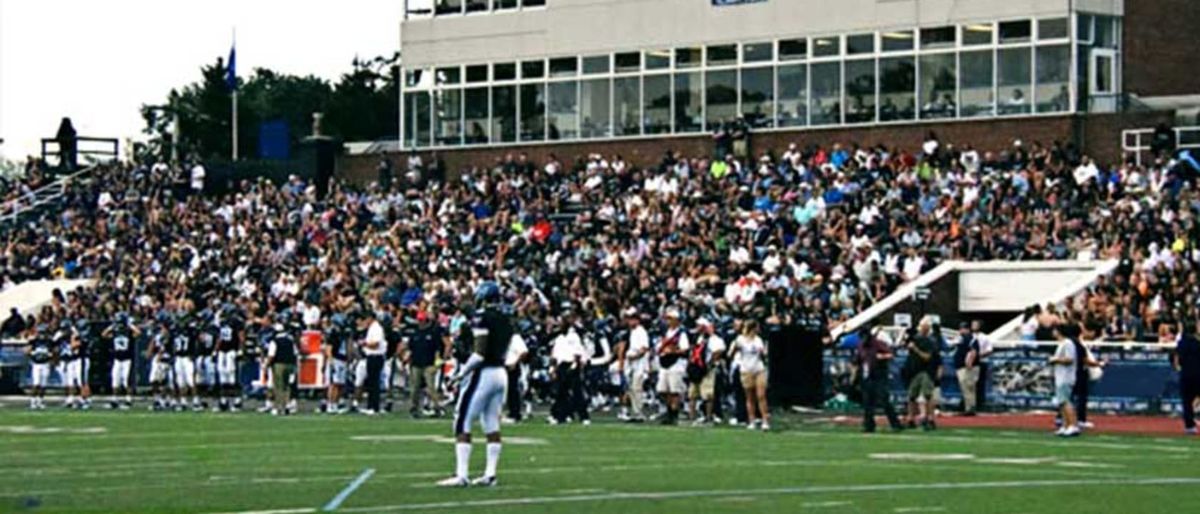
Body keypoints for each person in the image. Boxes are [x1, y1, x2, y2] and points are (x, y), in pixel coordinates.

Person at [438, 282, 513, 488]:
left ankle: (462, 474)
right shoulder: (506, 318)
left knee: (462, 420)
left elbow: (479, 354)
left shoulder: (482, 317)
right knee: (491, 422)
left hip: (485, 373)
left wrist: (460, 375)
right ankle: (490, 473)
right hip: (501, 373)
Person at [854, 325, 903, 433]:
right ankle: (869, 425)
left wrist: (882, 357)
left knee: (884, 400)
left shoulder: (878, 343)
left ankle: (895, 424)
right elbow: (858, 361)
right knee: (867, 402)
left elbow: (891, 354)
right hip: (867, 376)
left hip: (879, 375)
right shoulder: (861, 346)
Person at [549, 314, 588, 425]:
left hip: (571, 365)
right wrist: (553, 368)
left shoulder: (574, 337)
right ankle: (561, 416)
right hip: (561, 366)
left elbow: (578, 352)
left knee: (577, 391)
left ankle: (584, 416)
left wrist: (575, 365)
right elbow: (555, 355)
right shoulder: (559, 338)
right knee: (561, 392)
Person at [730, 320, 769, 431]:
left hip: (758, 369)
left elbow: (763, 355)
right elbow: (732, 353)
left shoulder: (758, 340)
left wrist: (763, 353)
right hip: (746, 370)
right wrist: (736, 348)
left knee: (761, 396)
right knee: (750, 397)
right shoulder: (740, 339)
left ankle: (765, 421)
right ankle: (751, 420)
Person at [408, 308, 447, 418]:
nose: (420, 322)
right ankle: (414, 408)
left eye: (422, 320)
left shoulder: (433, 333)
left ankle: (437, 408)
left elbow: (438, 349)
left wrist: (437, 363)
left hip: (429, 363)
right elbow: (410, 348)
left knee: (431, 388)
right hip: (416, 363)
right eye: (419, 320)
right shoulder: (414, 333)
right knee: (414, 388)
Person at [688, 318, 725, 425]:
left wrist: (709, 364)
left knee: (707, 394)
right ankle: (692, 417)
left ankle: (708, 417)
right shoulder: (698, 338)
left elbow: (718, 352)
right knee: (692, 394)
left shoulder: (715, 339)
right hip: (695, 368)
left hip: (707, 369)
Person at [656, 308, 689, 425]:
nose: (668, 321)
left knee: (675, 390)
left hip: (676, 364)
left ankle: (673, 414)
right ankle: (669, 410)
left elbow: (684, 349)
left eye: (670, 319)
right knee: (663, 390)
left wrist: (672, 351)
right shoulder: (665, 333)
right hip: (664, 363)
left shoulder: (681, 334)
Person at [903, 319, 937, 430]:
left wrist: (915, 349)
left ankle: (930, 418)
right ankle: (910, 418)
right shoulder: (915, 339)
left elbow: (927, 357)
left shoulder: (930, 341)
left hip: (926, 370)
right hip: (914, 371)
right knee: (911, 396)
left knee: (927, 395)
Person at [619, 307, 651, 423]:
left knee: (637, 388)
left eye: (632, 319)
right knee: (632, 389)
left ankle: (639, 413)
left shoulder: (641, 332)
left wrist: (634, 357)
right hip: (632, 364)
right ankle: (635, 411)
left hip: (639, 364)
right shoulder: (633, 332)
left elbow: (644, 349)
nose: (629, 322)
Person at [1049, 324, 1081, 437]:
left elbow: (1069, 359)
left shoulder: (1068, 343)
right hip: (1060, 376)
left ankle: (1073, 425)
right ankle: (1066, 425)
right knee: (1062, 402)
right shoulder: (1062, 343)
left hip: (1066, 377)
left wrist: (1055, 359)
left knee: (1066, 401)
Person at [103, 314, 139, 409]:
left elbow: (138, 333)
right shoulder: (115, 332)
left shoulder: (129, 332)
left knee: (126, 380)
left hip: (127, 360)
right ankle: (114, 400)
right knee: (115, 380)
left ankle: (128, 400)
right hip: (117, 359)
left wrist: (130, 325)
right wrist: (111, 327)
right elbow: (104, 334)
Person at [1173, 320, 1200, 434]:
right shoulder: (1197, 343)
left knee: (1186, 402)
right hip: (1198, 374)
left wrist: (1178, 368)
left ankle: (1190, 426)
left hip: (1186, 375)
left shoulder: (1182, 342)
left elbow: (1176, 358)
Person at [266, 321, 298, 416]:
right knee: (287, 386)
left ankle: (279, 407)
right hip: (290, 364)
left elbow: (271, 355)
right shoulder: (290, 341)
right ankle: (287, 405)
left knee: (278, 386)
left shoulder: (274, 341)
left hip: (279, 364)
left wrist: (266, 365)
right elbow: (295, 353)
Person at [360, 311, 388, 415]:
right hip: (371, 356)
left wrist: (364, 344)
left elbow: (376, 344)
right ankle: (370, 405)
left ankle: (374, 407)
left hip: (375, 356)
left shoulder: (377, 329)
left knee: (374, 382)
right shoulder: (371, 328)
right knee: (371, 382)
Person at [322, 316, 349, 414]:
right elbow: (328, 349)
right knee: (334, 384)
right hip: (336, 359)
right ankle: (330, 404)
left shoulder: (342, 334)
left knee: (340, 384)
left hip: (342, 359)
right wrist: (331, 361)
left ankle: (335, 404)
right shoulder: (333, 334)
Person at [953, 322, 980, 416]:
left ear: (967, 329)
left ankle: (970, 408)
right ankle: (968, 406)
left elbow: (973, 351)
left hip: (967, 367)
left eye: (962, 328)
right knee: (966, 387)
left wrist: (970, 362)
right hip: (962, 366)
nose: (960, 330)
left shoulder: (970, 338)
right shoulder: (962, 338)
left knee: (968, 387)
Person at [26, 326, 54, 410]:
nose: (42, 335)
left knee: (43, 384)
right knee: (36, 383)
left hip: (45, 364)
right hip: (36, 364)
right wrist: (32, 354)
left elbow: (54, 352)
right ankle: (33, 401)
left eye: (43, 333)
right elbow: (27, 351)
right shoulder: (34, 341)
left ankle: (40, 401)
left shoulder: (49, 342)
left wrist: (50, 357)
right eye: (40, 332)